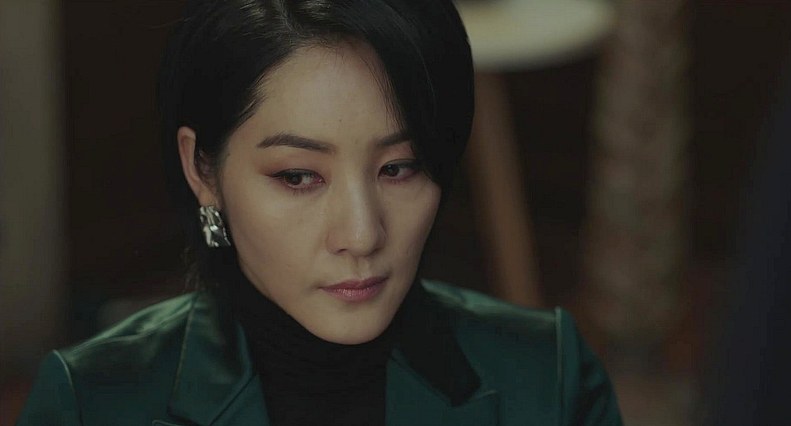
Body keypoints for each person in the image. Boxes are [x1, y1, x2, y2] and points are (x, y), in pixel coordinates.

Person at [17, 0, 622, 425]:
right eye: (299, 176)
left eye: (399, 167)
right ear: (203, 171)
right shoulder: (93, 402)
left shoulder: (549, 377)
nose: (361, 234)